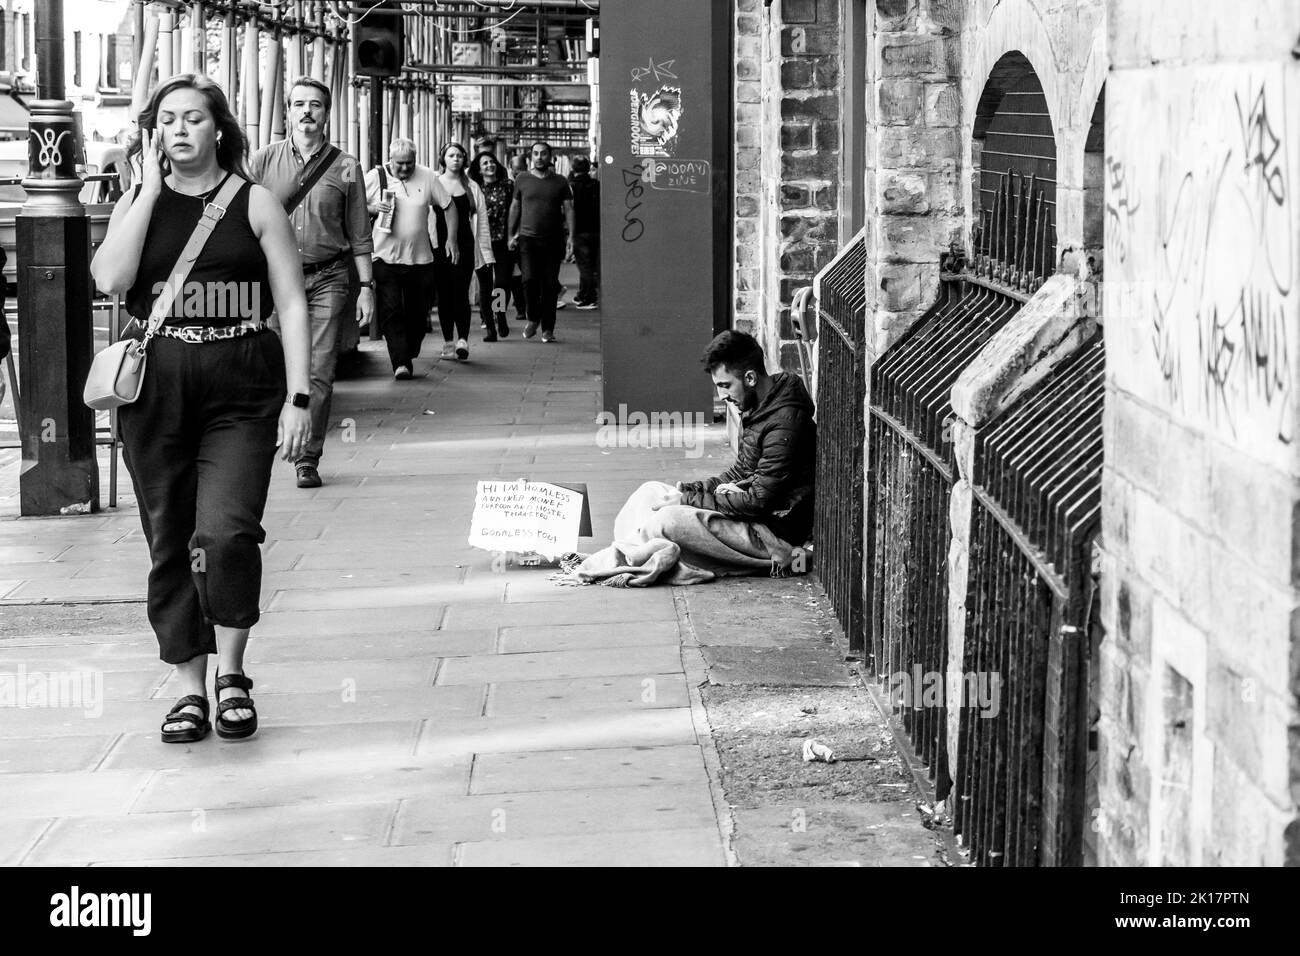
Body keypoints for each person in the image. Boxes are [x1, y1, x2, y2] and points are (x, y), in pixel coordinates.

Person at [89, 73, 312, 742]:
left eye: (191, 118)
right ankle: (188, 686)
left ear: (219, 128)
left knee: (225, 533)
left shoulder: (256, 202)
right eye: (166, 120)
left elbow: (293, 303)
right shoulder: (138, 199)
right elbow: (109, 280)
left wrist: (300, 397)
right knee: (169, 537)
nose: (178, 129)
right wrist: (148, 191)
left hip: (242, 384)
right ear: (153, 134)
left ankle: (232, 673)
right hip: (156, 388)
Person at [566, 331, 816, 587]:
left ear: (750, 378)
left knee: (669, 519)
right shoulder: (761, 407)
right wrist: (688, 490)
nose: (722, 396)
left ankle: (627, 558)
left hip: (771, 535)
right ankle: (647, 552)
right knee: (649, 493)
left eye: (725, 385)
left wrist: (685, 501)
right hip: (746, 515)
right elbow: (740, 471)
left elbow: (758, 502)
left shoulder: (786, 424)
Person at [249, 76, 373, 489]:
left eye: (315, 105)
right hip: (274, 280)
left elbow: (359, 234)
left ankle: (307, 455)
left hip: (329, 278)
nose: (306, 111)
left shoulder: (346, 167)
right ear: (287, 111)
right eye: (299, 104)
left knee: (318, 368)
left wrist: (367, 288)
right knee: (270, 364)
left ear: (326, 113)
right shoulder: (263, 161)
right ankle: (267, 438)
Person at [365, 137, 458, 380]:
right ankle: (401, 362)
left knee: (418, 313)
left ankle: (409, 348)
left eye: (409, 163)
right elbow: (352, 206)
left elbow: (448, 206)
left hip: (420, 258)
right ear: (390, 159)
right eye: (400, 164)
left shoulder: (427, 176)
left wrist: (451, 240)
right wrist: (373, 209)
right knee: (391, 309)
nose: (405, 168)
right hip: (384, 257)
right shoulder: (375, 177)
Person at [508, 141, 574, 344]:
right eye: (536, 154)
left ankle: (548, 329)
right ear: (531, 157)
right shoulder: (522, 179)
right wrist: (510, 234)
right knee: (528, 280)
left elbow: (569, 209)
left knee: (549, 285)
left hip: (553, 240)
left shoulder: (560, 181)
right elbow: (515, 207)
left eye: (543, 154)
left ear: (550, 157)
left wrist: (571, 236)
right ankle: (533, 318)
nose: (539, 157)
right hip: (527, 239)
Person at [432, 142, 493, 361]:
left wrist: (485, 252)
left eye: (459, 155)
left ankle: (463, 340)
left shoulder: (472, 187)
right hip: (438, 247)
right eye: (451, 155)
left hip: (466, 246)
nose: (456, 159)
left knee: (461, 292)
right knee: (444, 294)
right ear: (443, 159)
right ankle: (448, 340)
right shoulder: (434, 184)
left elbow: (482, 221)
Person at [468, 150, 516, 341]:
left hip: (503, 241)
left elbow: (516, 209)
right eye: (485, 164)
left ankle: (501, 315)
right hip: (482, 242)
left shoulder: (508, 186)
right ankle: (490, 327)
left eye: (491, 162)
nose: (490, 165)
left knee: (502, 283)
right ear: (479, 170)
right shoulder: (474, 189)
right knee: (485, 286)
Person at [568, 155, 600, 309]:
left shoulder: (571, 187)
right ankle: (582, 294)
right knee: (591, 265)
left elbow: (568, 210)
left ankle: (589, 298)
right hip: (596, 230)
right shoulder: (597, 185)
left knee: (584, 265)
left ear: (573, 169)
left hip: (579, 231)